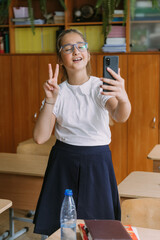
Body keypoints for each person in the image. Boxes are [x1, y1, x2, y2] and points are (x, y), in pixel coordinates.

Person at [33, 29, 131, 237]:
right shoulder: (56, 92)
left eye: (80, 46)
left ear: (88, 54)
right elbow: (40, 137)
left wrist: (123, 98)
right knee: (60, 228)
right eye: (68, 48)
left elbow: (120, 115)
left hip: (97, 162)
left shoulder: (100, 87)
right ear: (60, 58)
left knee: (100, 228)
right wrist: (50, 100)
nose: (76, 50)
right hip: (63, 161)